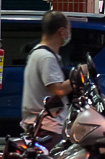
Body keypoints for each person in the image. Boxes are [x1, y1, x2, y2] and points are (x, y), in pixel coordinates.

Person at [21, 10, 73, 141]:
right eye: (68, 29)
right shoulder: (46, 57)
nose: (69, 33)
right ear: (62, 31)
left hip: (41, 125)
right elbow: (59, 89)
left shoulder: (38, 53)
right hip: (47, 127)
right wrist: (79, 76)